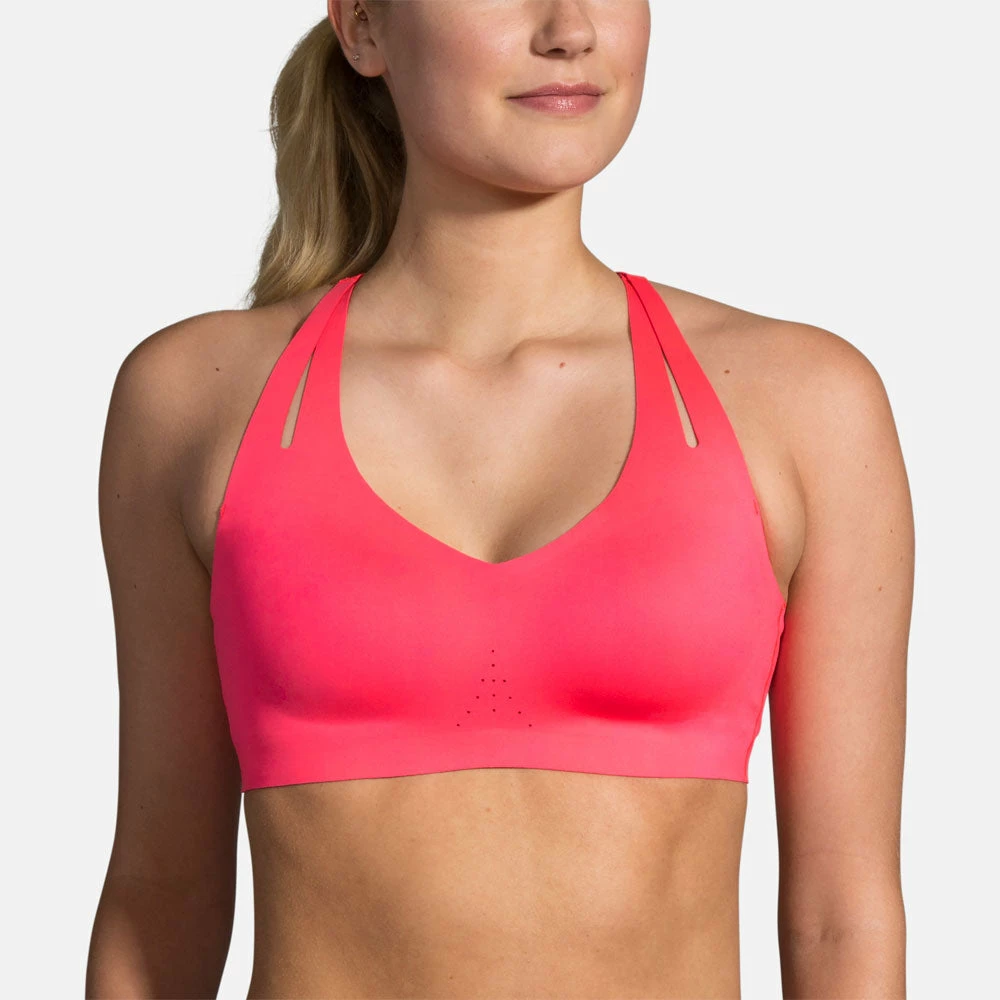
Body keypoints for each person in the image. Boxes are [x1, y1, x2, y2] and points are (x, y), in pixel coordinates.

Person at [86, 2, 913, 997]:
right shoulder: (196, 398)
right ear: (363, 28)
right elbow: (161, 893)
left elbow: (840, 918)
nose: (570, 28)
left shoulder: (803, 405)